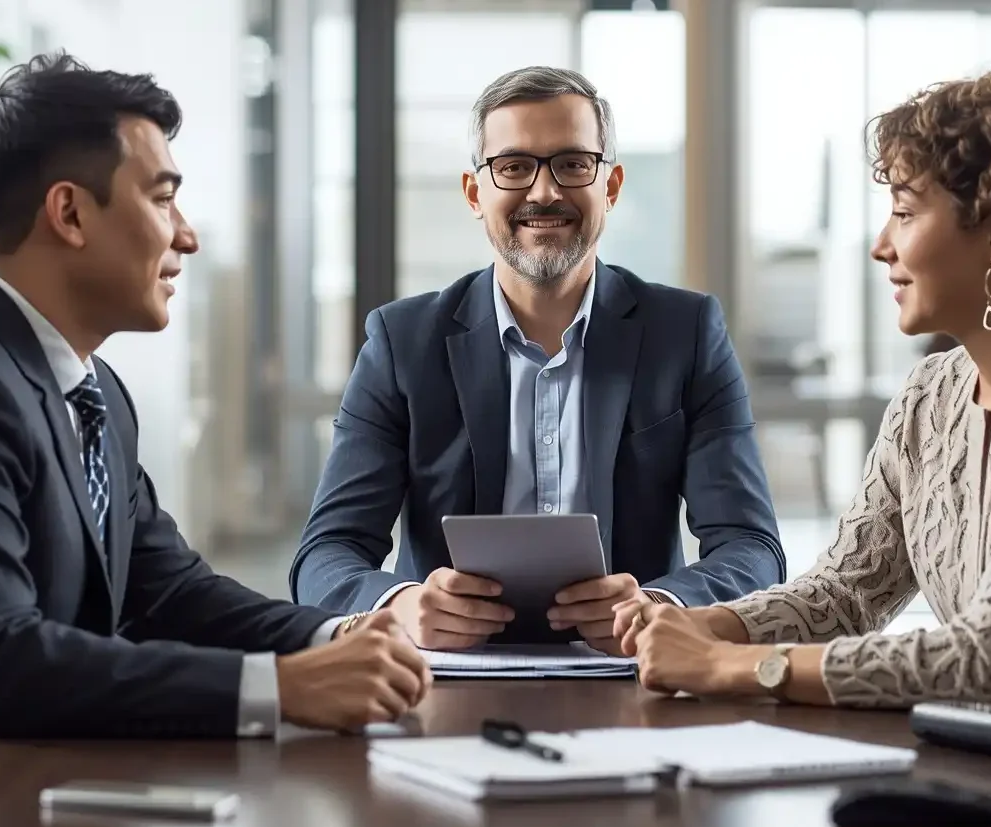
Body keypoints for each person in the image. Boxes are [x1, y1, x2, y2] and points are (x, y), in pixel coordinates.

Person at [614, 65, 991, 800]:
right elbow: (845, 593)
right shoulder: (931, 394)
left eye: (906, 213)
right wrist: (702, 623)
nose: (882, 245)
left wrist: (732, 667)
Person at [0, 53, 430, 781]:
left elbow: (167, 592)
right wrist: (285, 689)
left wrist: (342, 632)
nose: (186, 236)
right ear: (69, 213)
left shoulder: (89, 389)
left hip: (1, 795)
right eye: (162, 199)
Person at [290, 66, 785, 652]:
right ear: (476, 193)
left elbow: (751, 547)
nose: (544, 192)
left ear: (612, 185)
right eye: (514, 166)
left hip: (636, 672)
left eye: (573, 164)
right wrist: (398, 607)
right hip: (442, 681)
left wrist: (659, 607)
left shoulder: (687, 332)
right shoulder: (402, 342)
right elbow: (326, 553)